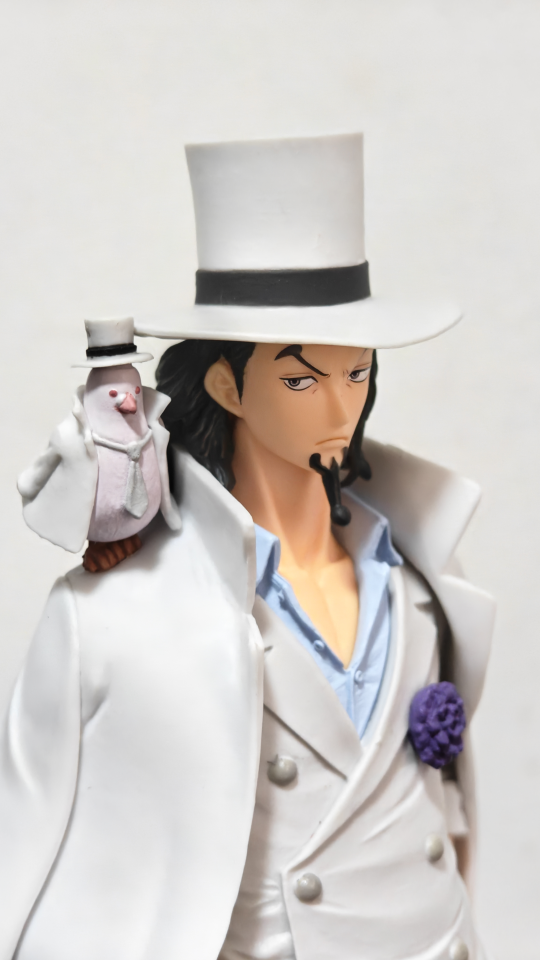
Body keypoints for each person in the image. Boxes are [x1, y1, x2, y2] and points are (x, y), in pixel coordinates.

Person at [0, 133, 495, 960]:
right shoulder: (114, 616)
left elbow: (444, 806)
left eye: (358, 373)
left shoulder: (422, 572)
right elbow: (26, 838)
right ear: (228, 385)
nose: (340, 409)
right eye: (301, 379)